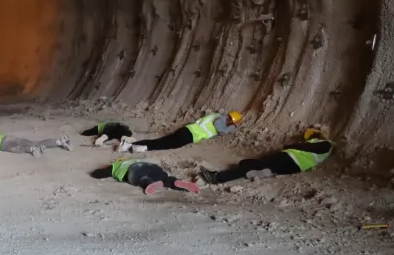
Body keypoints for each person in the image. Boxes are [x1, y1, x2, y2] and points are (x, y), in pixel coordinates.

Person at [200, 128, 333, 185]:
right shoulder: (321, 148)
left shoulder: (326, 144)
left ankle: (217, 178)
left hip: (289, 159)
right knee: (246, 163)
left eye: (312, 136)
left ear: (319, 135)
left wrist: (293, 146)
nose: (309, 139)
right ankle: (265, 172)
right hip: (292, 166)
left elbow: (305, 147)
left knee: (249, 167)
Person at [117, 111, 242, 153]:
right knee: (163, 144)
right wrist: (232, 127)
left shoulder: (216, 116)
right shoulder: (219, 120)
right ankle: (137, 147)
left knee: (162, 142)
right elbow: (221, 131)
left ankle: (129, 146)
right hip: (189, 135)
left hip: (187, 131)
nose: (229, 121)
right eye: (231, 121)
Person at [90, 158, 200, 196]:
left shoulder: (115, 167)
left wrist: (96, 173)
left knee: (141, 179)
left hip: (133, 170)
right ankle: (176, 182)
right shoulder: (133, 160)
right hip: (151, 166)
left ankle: (149, 183)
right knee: (164, 177)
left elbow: (98, 174)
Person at [0, 130, 71, 156]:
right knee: (35, 142)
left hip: (2, 145)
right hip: (7, 137)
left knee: (19, 149)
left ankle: (31, 150)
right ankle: (59, 142)